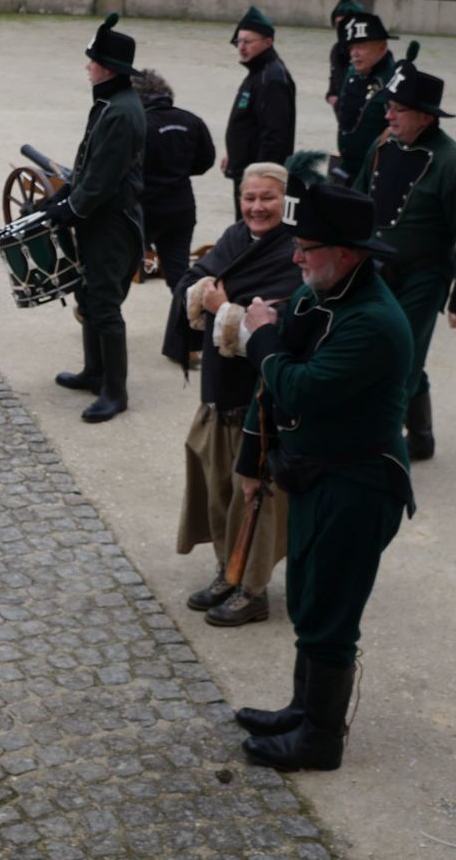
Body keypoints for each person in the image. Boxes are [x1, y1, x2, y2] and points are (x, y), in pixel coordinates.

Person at [233, 155, 415, 772]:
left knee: (331, 612)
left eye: (307, 249)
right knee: (308, 597)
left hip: (359, 485)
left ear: (347, 252)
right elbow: (282, 367)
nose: (295, 258)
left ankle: (320, 739)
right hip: (318, 474)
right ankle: (301, 709)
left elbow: (299, 388)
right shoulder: (325, 293)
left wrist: (260, 337)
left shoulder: (374, 322)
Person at [161, 163, 300, 627]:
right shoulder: (235, 236)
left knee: (256, 499)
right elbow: (196, 278)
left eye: (267, 198)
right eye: (249, 197)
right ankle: (227, 571)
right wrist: (203, 292)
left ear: (285, 200)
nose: (256, 207)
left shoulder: (294, 251)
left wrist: (220, 307)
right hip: (220, 393)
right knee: (219, 488)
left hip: (259, 402)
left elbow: (275, 328)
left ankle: (253, 590)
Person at [355, 42, 456, 462]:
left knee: (398, 360)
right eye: (389, 106)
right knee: (400, 352)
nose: (389, 115)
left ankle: (381, 451)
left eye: (399, 109)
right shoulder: (383, 146)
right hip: (377, 270)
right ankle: (422, 437)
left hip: (424, 277)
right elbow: (358, 200)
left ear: (426, 116)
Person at [44, 13, 146, 424]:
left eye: (93, 61)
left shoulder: (121, 112)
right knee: (88, 295)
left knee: (104, 304)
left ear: (108, 68)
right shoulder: (110, 103)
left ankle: (115, 392)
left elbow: (102, 178)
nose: (87, 67)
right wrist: (61, 198)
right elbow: (87, 165)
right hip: (99, 218)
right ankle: (94, 372)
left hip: (113, 223)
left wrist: (68, 210)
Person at [133, 69, 214, 288]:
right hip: (181, 208)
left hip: (146, 210)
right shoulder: (192, 121)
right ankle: (186, 310)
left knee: (121, 269)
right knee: (178, 274)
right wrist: (178, 172)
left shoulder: (140, 124)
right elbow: (206, 161)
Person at [221, 6, 296, 212]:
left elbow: (274, 135)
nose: (241, 47)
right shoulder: (258, 72)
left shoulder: (271, 79)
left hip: (257, 179)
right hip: (246, 170)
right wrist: (233, 154)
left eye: (248, 42)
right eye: (239, 41)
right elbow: (247, 121)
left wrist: (260, 179)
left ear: (268, 42)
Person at [329, 11, 397, 186]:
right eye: (351, 47)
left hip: (377, 176)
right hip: (345, 170)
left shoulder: (395, 80)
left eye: (361, 46)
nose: (354, 53)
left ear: (382, 47)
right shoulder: (353, 72)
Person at [325, 0, 367, 115]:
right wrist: (331, 95)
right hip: (342, 113)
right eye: (338, 24)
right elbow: (334, 77)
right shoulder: (336, 50)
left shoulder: (369, 50)